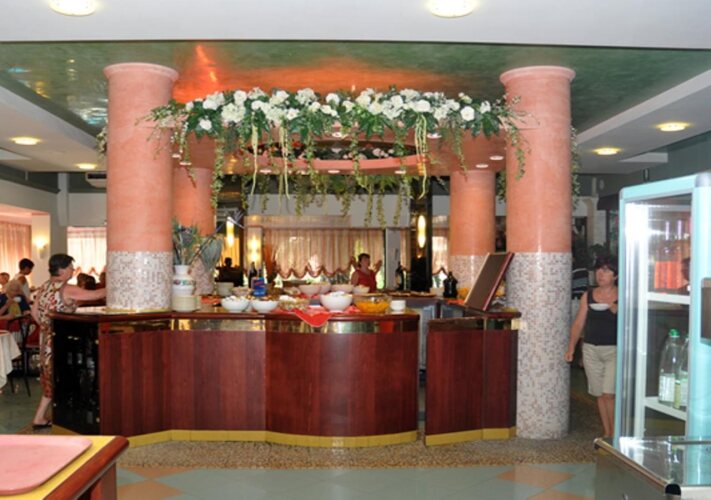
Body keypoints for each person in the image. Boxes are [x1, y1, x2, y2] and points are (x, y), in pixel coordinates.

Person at [30, 253, 106, 430]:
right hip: (61, 341)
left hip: (46, 339)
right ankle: (70, 418)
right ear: (62, 269)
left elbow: (34, 312)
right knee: (63, 377)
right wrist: (117, 285)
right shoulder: (66, 288)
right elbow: (95, 294)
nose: (73, 270)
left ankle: (40, 417)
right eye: (71, 268)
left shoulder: (45, 286)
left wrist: (46, 326)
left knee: (51, 377)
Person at [565, 254, 618, 438]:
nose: (600, 274)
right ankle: (607, 432)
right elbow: (578, 323)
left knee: (609, 394)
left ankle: (614, 435)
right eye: (598, 270)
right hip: (590, 349)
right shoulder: (588, 296)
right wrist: (571, 347)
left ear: (616, 275)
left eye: (606, 270)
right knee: (600, 395)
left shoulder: (623, 295)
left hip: (614, 350)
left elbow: (634, 323)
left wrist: (618, 310)